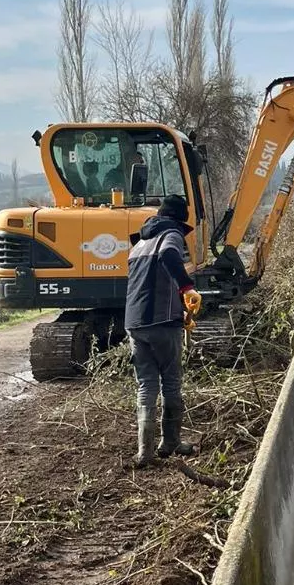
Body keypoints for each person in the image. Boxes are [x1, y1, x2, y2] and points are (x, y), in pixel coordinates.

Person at [125, 193, 201, 463]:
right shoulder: (170, 235)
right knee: (171, 380)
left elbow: (147, 284)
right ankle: (170, 442)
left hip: (135, 323)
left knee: (146, 384)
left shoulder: (141, 242)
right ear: (178, 221)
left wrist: (177, 307)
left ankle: (144, 452)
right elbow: (169, 255)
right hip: (161, 323)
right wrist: (187, 287)